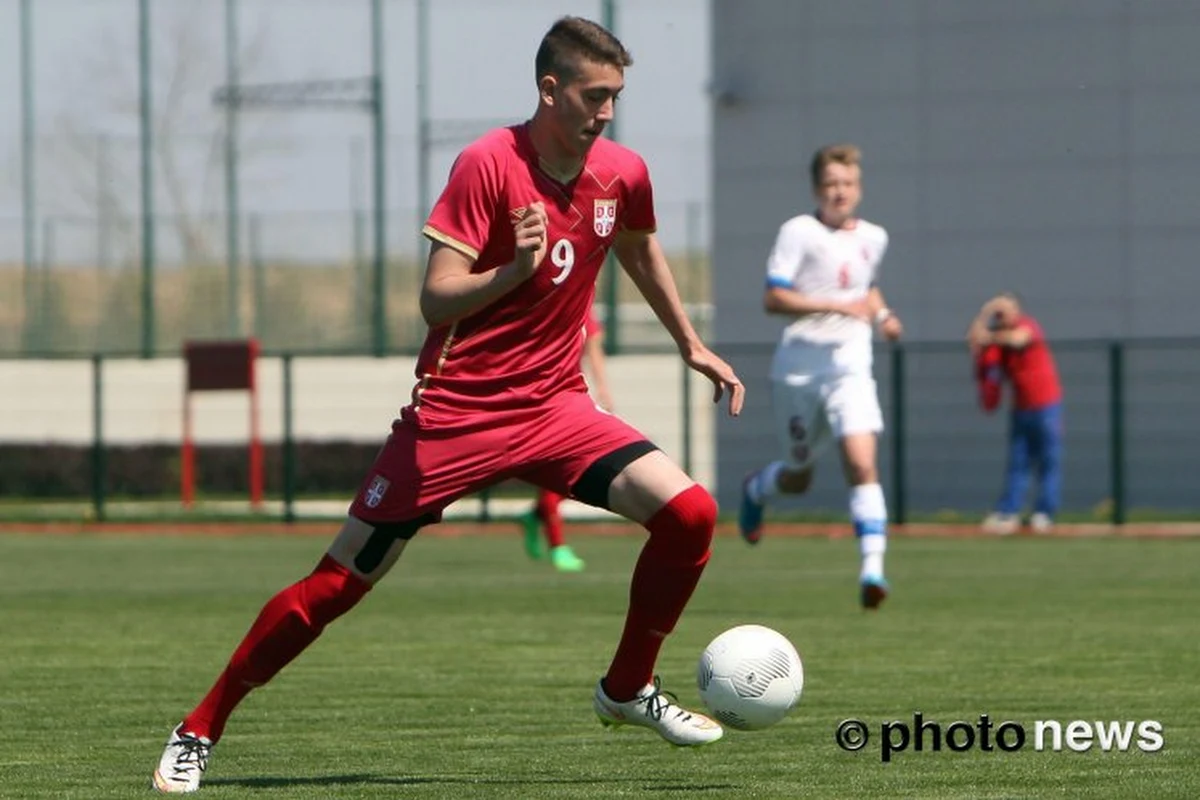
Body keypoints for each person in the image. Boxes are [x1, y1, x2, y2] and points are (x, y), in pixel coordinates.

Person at [151, 16, 744, 793]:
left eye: (616, 97)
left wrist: (688, 342)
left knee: (691, 514)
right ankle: (200, 726)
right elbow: (435, 303)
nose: (606, 113)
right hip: (456, 417)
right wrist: (515, 269)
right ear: (549, 89)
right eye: (594, 96)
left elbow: (636, 245)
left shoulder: (622, 172)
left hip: (557, 407)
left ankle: (627, 687)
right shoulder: (487, 165)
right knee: (336, 586)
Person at [736, 143, 902, 611]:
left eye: (847, 183)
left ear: (859, 188)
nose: (839, 192)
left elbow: (864, 286)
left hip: (850, 367)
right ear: (816, 188)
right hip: (799, 372)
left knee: (861, 462)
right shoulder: (799, 232)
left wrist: (883, 314)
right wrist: (836, 304)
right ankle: (757, 488)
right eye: (830, 184)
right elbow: (774, 298)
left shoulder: (874, 237)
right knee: (798, 477)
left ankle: (873, 570)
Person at [518, 307, 615, 572]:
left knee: (576, 471)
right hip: (536, 402)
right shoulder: (543, 300)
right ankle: (556, 544)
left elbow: (594, 349)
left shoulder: (582, 305)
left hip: (568, 401)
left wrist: (603, 389)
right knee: (560, 474)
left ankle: (539, 518)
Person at [966, 292, 1063, 535]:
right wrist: (986, 311)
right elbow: (974, 339)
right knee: (1018, 463)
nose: (1002, 317)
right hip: (1021, 408)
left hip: (1046, 405)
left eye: (1005, 311)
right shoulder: (997, 339)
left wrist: (992, 335)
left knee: (1048, 460)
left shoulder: (1027, 326)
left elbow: (1019, 340)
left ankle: (1044, 513)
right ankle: (1008, 512)